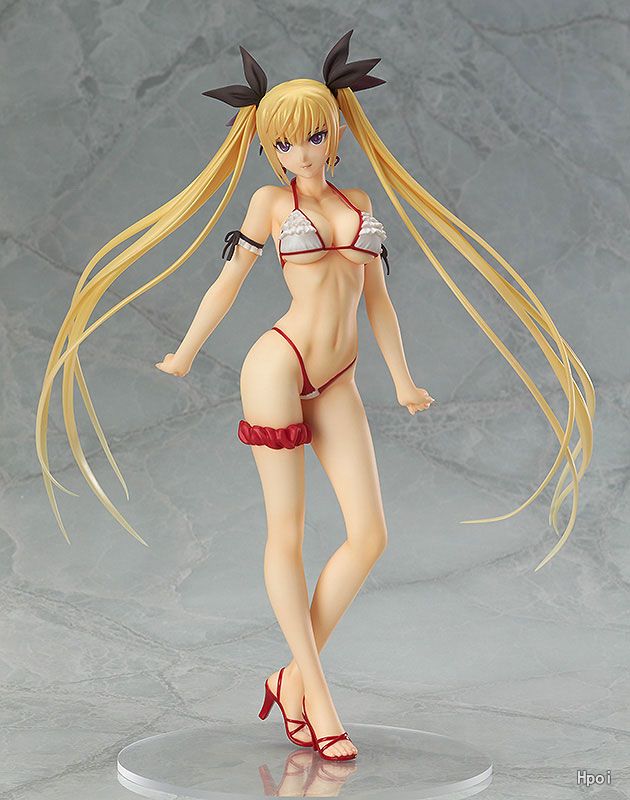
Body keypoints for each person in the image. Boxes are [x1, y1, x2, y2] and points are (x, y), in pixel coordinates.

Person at [36, 30, 595, 761]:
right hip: (278, 365)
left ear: (337, 133)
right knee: (288, 533)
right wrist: (185, 350)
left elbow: (379, 301)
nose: (300, 155)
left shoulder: (360, 201)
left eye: (312, 138)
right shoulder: (270, 203)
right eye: (283, 144)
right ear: (268, 150)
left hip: (340, 379)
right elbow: (228, 282)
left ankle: (290, 678)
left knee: (370, 535)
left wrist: (403, 378)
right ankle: (319, 699)